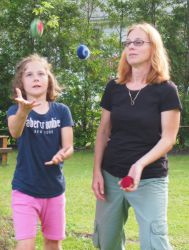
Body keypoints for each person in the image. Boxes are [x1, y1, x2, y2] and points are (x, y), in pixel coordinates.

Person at [92, 22, 182, 250]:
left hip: (149, 177)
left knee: (155, 242)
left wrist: (139, 165)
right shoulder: (114, 87)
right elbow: (103, 131)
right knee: (106, 241)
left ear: (154, 48)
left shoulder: (166, 90)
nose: (131, 47)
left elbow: (168, 139)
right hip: (111, 175)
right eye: (128, 42)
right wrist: (97, 172)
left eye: (139, 42)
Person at [7, 54, 74, 250]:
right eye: (29, 74)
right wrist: (23, 111)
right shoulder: (15, 110)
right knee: (25, 245)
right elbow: (15, 131)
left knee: (53, 244)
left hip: (54, 190)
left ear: (49, 80)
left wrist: (63, 153)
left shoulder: (62, 111)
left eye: (41, 73)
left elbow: (68, 146)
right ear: (21, 82)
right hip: (25, 189)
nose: (36, 78)